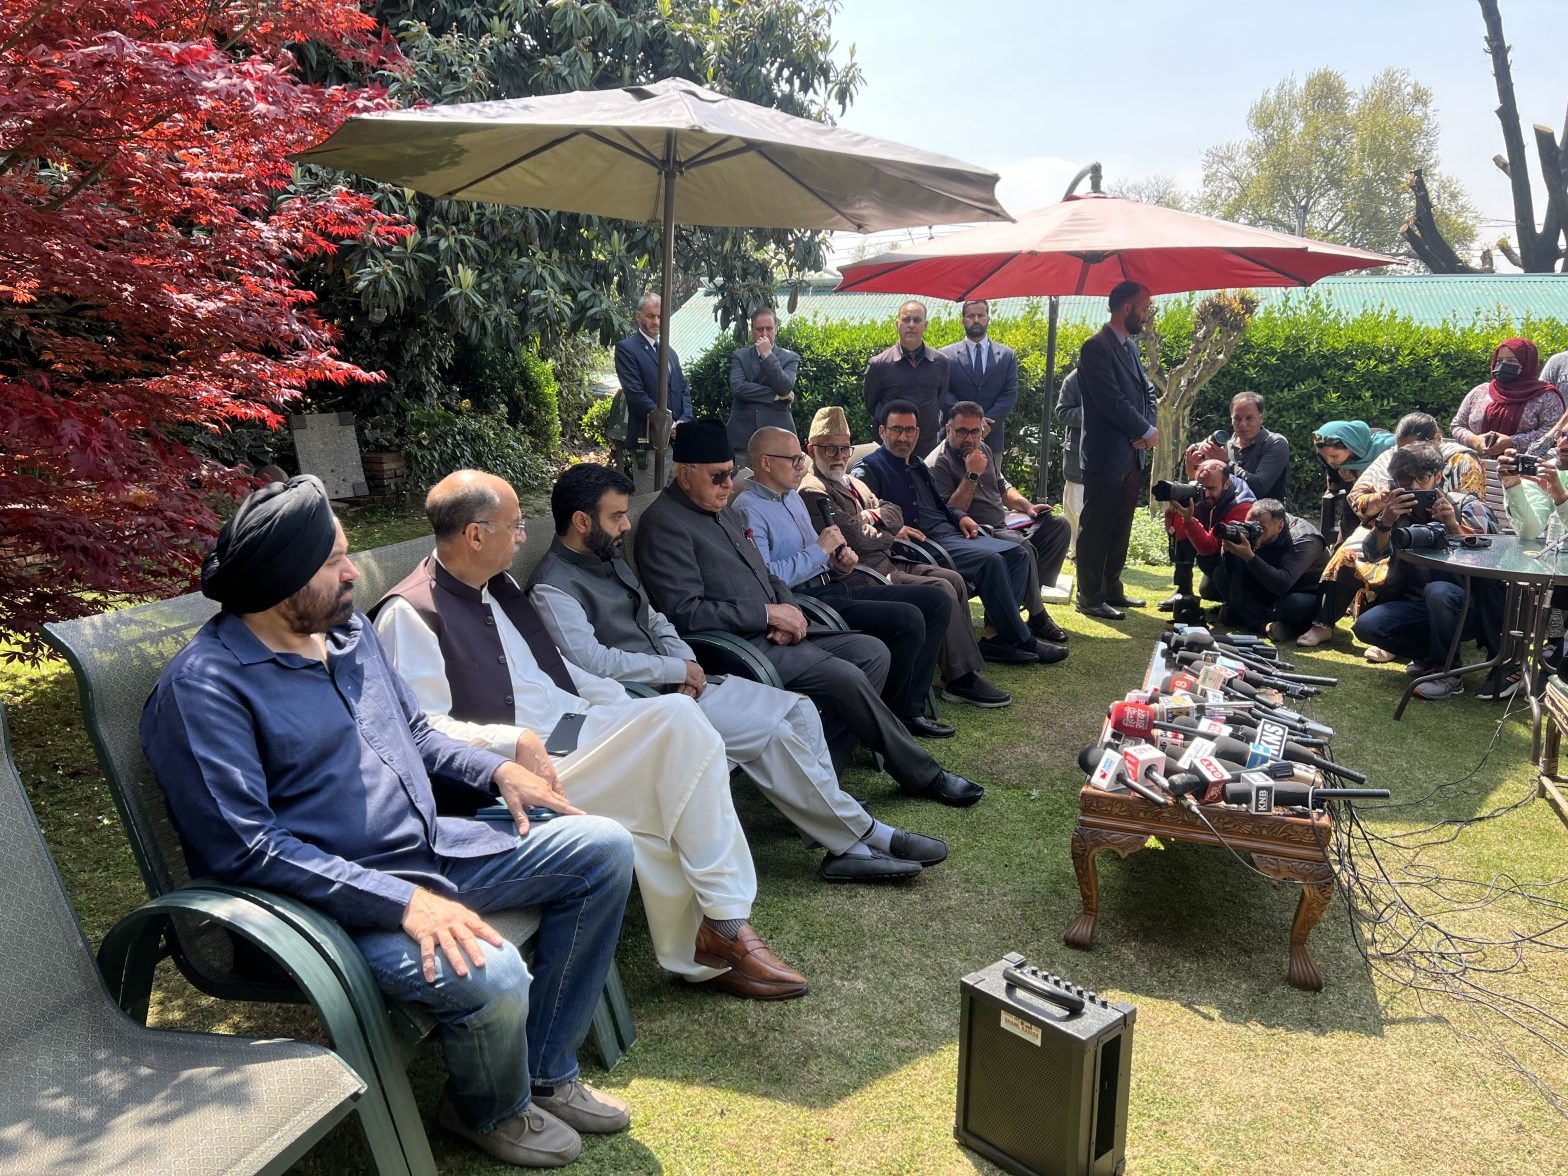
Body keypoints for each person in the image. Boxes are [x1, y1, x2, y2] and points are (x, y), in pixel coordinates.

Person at [140, 476, 637, 1169]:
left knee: (604, 848)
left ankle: (547, 1071)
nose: (353, 573)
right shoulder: (206, 689)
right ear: (279, 581)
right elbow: (247, 849)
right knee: (494, 975)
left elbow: (414, 733)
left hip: (428, 848)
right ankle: (488, 1109)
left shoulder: (346, 633)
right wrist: (402, 902)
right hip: (327, 910)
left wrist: (493, 771)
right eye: (333, 561)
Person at [373, 470, 808, 1002]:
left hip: (576, 730)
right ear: (475, 535)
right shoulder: (411, 614)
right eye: (515, 526)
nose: (524, 537)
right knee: (676, 735)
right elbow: (424, 729)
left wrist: (621, 703)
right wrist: (511, 745)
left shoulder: (497, 588)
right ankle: (724, 925)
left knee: (675, 737)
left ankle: (712, 938)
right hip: (520, 776)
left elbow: (557, 672)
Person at [529, 463, 945, 883]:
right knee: (771, 732)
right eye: (617, 516)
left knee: (798, 710)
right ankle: (867, 835)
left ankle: (844, 845)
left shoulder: (605, 557)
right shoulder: (552, 587)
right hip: (641, 707)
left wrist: (687, 662)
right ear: (582, 521)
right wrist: (675, 668)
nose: (625, 525)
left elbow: (655, 619)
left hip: (683, 685)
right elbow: (595, 664)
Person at [633, 418, 985, 808]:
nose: (728, 486)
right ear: (684, 474)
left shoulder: (719, 510)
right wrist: (768, 615)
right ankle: (920, 774)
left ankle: (818, 782)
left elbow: (765, 573)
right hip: (734, 647)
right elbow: (685, 613)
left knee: (872, 653)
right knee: (846, 676)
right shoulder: (664, 525)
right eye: (718, 477)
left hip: (776, 627)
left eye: (730, 475)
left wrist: (787, 607)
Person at [736, 426, 956, 739]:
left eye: (800, 459)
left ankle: (904, 706)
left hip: (832, 587)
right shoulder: (748, 510)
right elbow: (765, 578)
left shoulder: (792, 498)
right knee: (908, 618)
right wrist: (819, 551)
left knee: (936, 600)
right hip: (803, 604)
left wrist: (837, 564)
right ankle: (892, 716)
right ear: (766, 463)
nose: (801, 466)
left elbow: (819, 557)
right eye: (794, 459)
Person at [797, 406, 1012, 709]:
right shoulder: (814, 490)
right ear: (811, 449)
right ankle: (961, 678)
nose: (839, 456)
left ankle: (959, 671)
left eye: (844, 448)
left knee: (952, 578)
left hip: (888, 560)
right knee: (941, 588)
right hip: (863, 574)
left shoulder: (851, 482)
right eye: (829, 449)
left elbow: (894, 511)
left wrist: (871, 517)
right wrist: (885, 531)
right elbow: (855, 537)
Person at [853, 401, 1065, 666]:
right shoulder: (869, 469)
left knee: (1017, 554)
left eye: (909, 430)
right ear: (883, 431)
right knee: (994, 560)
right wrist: (891, 527)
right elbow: (856, 514)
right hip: (925, 543)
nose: (904, 437)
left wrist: (960, 516)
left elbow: (941, 505)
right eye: (897, 430)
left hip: (950, 532)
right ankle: (1024, 639)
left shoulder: (916, 464)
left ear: (918, 432)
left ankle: (996, 639)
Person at [1298, 412, 1485, 650]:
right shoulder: (1393, 456)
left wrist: (1447, 518)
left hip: (1444, 536)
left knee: (1433, 586)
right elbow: (1357, 497)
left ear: (1436, 440)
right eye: (1402, 448)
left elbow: (1471, 514)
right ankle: (1324, 623)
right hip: (1394, 526)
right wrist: (1381, 502)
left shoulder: (1461, 460)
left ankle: (1424, 641)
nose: (1407, 454)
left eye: (1421, 478)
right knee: (1349, 553)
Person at [1350, 444, 1500, 701]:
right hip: (1417, 604)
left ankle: (1448, 673)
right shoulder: (1397, 509)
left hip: (1466, 606)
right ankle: (1431, 658)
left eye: (1421, 478)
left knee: (1438, 592)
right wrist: (1386, 522)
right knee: (1368, 626)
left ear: (1438, 476)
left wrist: (1452, 526)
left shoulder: (1467, 505)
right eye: (1404, 480)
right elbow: (1373, 554)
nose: (1413, 487)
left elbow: (1487, 562)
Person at [926, 400, 1072, 643]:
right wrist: (971, 474)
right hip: (975, 533)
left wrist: (1027, 506)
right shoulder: (939, 462)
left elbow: (1003, 488)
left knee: (1058, 527)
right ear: (948, 429)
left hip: (1004, 523)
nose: (969, 438)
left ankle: (1024, 600)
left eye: (975, 431)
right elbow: (951, 513)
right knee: (1021, 547)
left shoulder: (983, 448)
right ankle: (1037, 615)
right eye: (962, 431)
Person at [1075, 280, 1159, 620]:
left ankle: (1112, 587)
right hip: (1105, 455)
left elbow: (1147, 393)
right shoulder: (1095, 347)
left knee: (1121, 524)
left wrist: (1148, 429)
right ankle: (1090, 595)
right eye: (1144, 308)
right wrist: (1144, 430)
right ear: (1126, 308)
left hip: (1131, 455)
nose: (1147, 315)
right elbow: (1111, 400)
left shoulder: (1130, 348)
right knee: (1097, 525)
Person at [1205, 498, 1327, 640]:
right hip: (1267, 585)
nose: (1254, 531)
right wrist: (1228, 552)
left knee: (1293, 606)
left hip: (1302, 591)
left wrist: (1249, 557)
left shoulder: (1305, 540)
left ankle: (1244, 615)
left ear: (1280, 526)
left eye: (1260, 528)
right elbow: (1232, 574)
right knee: (1219, 575)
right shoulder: (1257, 531)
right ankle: (1263, 625)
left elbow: (1283, 584)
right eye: (1249, 524)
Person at [614, 292, 693, 494]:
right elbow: (635, 394)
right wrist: (668, 424)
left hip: (677, 444)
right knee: (650, 502)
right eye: (650, 316)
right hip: (648, 443)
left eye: (660, 316)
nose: (656, 321)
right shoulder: (627, 349)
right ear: (638, 316)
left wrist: (684, 421)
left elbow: (683, 388)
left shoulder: (670, 352)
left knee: (675, 502)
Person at [1160, 458, 1256, 609]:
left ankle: (1238, 604)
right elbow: (1177, 535)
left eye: (1211, 488)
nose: (1205, 494)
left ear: (1226, 484)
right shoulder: (1197, 492)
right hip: (1217, 556)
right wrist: (1173, 513)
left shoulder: (1242, 505)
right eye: (1202, 487)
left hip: (1241, 566)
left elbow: (1209, 548)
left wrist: (1189, 520)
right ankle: (1183, 590)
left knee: (1209, 565)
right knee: (1207, 591)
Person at [862, 300, 950, 459]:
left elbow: (940, 398)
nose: (911, 325)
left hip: (928, 448)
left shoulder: (940, 362)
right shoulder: (880, 364)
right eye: (906, 319)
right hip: (892, 449)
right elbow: (871, 404)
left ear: (925, 325)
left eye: (917, 320)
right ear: (897, 324)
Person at [1450, 337, 1565, 457]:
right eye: (1499, 360)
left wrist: (1513, 441)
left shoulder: (1545, 396)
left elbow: (1554, 432)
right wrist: (1473, 440)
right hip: (1476, 465)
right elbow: (1457, 425)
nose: (1503, 365)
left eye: (1511, 361)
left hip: (1525, 466)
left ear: (1527, 363)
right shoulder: (1481, 391)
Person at [939, 300, 1020, 457]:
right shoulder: (945, 355)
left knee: (991, 475)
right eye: (970, 316)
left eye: (981, 315)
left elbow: (1009, 394)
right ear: (963, 321)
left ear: (988, 319)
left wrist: (985, 423)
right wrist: (969, 422)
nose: (976, 320)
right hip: (954, 440)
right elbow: (943, 392)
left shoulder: (1007, 356)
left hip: (991, 438)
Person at [726, 307, 800, 467]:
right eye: (759, 329)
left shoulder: (790, 358)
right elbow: (738, 388)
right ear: (752, 331)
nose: (764, 334)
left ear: (776, 330)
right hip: (743, 439)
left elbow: (784, 387)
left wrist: (768, 356)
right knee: (740, 481)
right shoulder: (740, 356)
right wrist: (775, 396)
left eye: (769, 329)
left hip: (778, 439)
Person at [1186, 391, 1291, 501]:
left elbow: (1259, 487)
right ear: (1231, 419)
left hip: (1266, 511)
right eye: (1237, 418)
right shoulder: (1224, 447)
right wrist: (1193, 471)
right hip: (1228, 510)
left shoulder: (1275, 443)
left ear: (1261, 418)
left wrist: (1226, 462)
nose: (1242, 424)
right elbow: (1210, 491)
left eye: (1249, 418)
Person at [1312, 420, 1395, 545]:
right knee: (1344, 547)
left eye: (1334, 456)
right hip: (1355, 503)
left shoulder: (1387, 449)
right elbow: (1336, 483)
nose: (1329, 461)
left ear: (1351, 447)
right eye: (1325, 456)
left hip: (1388, 505)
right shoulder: (1331, 459)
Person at [1054, 368, 1086, 560]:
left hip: (1111, 459)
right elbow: (1062, 412)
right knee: (1076, 507)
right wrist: (1094, 411)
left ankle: (1105, 554)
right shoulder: (1075, 378)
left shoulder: (1118, 373)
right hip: (1078, 459)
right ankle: (1078, 552)